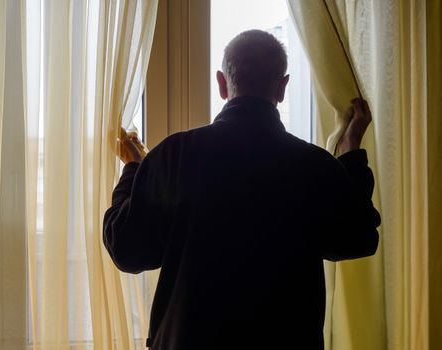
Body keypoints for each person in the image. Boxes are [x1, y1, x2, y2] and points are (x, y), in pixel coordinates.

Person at [103, 30, 380, 350]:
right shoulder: (314, 165)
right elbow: (357, 239)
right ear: (283, 86)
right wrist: (350, 154)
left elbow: (127, 249)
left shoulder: (175, 155)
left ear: (222, 83)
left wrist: (134, 169)